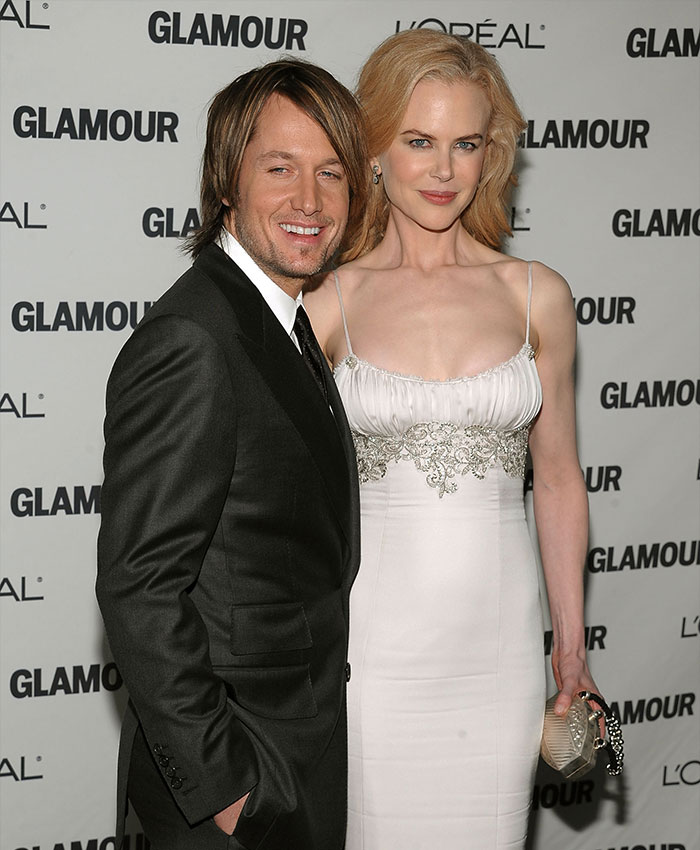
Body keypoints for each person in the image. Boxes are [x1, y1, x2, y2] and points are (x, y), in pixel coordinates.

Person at [305, 29, 603, 849]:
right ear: (372, 151)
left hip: (500, 656)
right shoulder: (326, 301)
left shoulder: (536, 295)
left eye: (465, 144)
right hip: (371, 657)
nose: (443, 170)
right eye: (418, 141)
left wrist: (570, 652)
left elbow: (559, 479)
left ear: (490, 156)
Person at [96, 59, 368, 850]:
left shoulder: (278, 317)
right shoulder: (194, 338)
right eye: (279, 168)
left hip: (293, 749)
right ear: (226, 183)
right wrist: (226, 788)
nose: (309, 200)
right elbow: (141, 584)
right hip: (238, 781)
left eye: (331, 173)